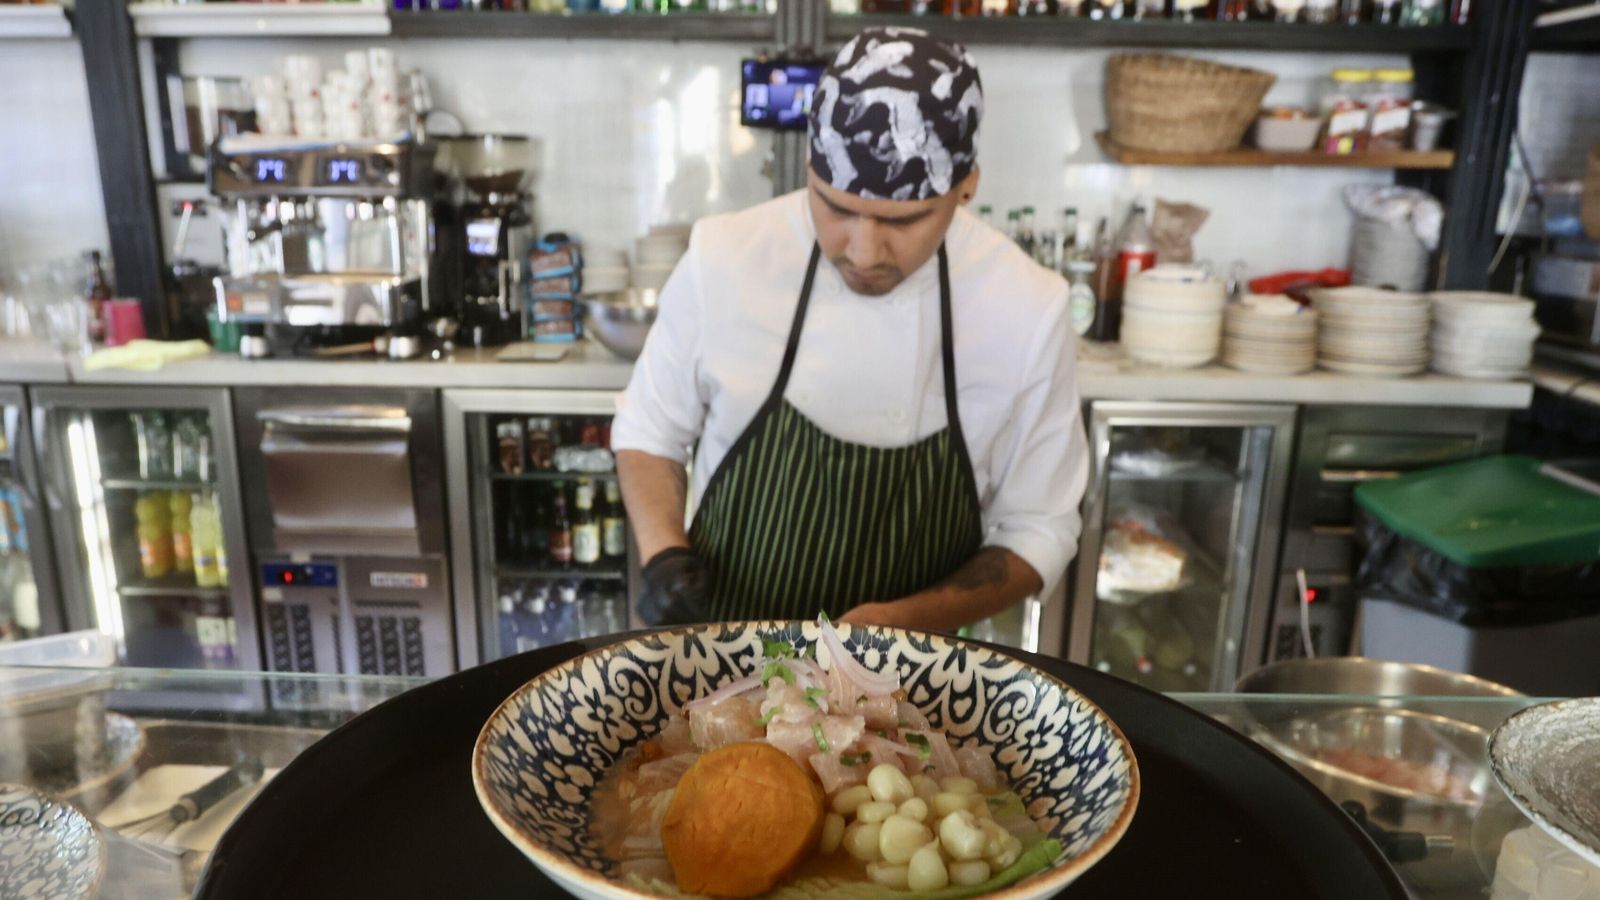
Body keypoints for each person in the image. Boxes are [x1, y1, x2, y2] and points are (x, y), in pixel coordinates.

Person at [611, 26, 1088, 631]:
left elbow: (1040, 527)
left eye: (905, 220)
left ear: (966, 186)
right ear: (809, 167)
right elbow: (650, 429)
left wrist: (899, 625)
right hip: (720, 657)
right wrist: (663, 555)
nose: (863, 252)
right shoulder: (726, 257)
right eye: (834, 207)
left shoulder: (1026, 307)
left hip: (911, 679)